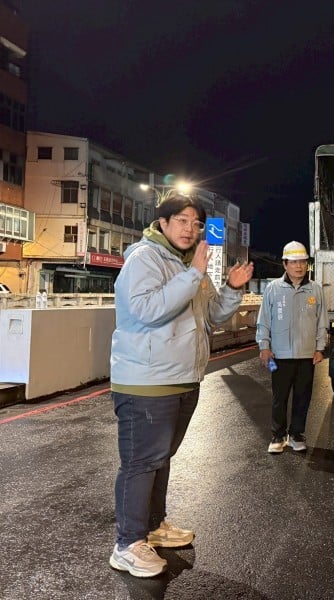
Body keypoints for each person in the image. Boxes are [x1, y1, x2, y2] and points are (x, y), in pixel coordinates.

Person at [109, 193, 253, 578]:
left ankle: (152, 527)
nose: (191, 229)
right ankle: (127, 543)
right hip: (147, 381)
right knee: (141, 462)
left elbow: (215, 317)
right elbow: (146, 309)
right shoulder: (146, 258)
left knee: (160, 459)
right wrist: (194, 275)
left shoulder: (190, 265)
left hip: (183, 378)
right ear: (163, 223)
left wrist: (234, 289)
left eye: (197, 224)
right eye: (183, 221)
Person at [257, 241, 328, 454]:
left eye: (303, 262)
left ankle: (296, 434)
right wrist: (264, 347)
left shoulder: (315, 289)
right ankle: (278, 436)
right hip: (279, 355)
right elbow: (264, 320)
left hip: (307, 356)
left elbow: (322, 321)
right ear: (285, 264)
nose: (299, 266)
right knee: (279, 397)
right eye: (294, 262)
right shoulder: (273, 289)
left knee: (303, 398)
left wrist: (320, 348)